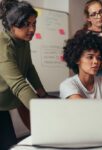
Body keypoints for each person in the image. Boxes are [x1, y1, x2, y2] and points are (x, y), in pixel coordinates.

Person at [0, 0, 49, 149]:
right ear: (12, 24)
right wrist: (45, 115)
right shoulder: (3, 44)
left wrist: (42, 92)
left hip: (4, 106)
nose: (32, 29)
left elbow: (29, 68)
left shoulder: (23, 41)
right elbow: (20, 85)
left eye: (34, 24)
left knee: (9, 144)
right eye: (27, 24)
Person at [60, 32, 102, 99]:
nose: (96, 62)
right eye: (90, 57)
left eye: (98, 58)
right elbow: (83, 107)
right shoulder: (67, 84)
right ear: (77, 59)